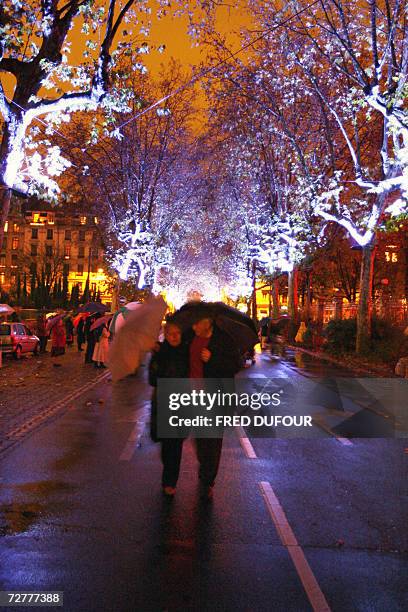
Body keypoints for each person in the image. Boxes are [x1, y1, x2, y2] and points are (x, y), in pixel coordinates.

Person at [186, 313, 241, 500]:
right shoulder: (191, 338)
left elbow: (235, 365)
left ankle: (208, 479)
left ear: (207, 322)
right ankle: (205, 467)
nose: (194, 327)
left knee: (213, 440)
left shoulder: (223, 340)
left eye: (197, 323)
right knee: (200, 438)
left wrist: (213, 358)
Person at [149, 319, 189, 497]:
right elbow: (151, 379)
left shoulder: (186, 352)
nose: (174, 336)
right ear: (165, 334)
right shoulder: (159, 352)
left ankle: (170, 481)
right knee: (167, 446)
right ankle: (168, 474)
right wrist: (157, 362)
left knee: (176, 444)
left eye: (177, 333)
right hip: (164, 403)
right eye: (171, 333)